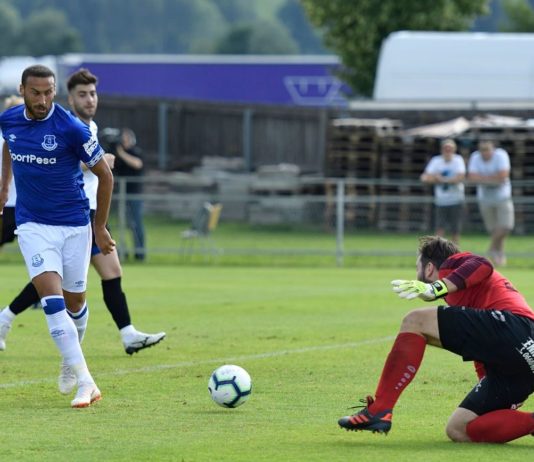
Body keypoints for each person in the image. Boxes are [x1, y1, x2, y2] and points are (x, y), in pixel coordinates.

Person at [0, 68, 165, 360]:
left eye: (93, 94)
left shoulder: (92, 128)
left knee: (108, 273)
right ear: (70, 99)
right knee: (53, 279)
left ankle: (127, 333)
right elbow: (52, 162)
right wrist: (96, 163)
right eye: (82, 95)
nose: (89, 100)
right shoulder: (66, 124)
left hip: (89, 213)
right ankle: (7, 319)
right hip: (63, 214)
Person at [338, 235, 534, 443]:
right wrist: (491, 394)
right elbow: (482, 346)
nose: (416, 274)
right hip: (521, 355)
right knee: (459, 429)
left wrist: (435, 288)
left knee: (415, 321)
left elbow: (483, 264)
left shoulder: (452, 265)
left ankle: (379, 409)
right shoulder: (464, 298)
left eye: (418, 268)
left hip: (516, 327)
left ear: (429, 268)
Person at [0, 64, 115, 408]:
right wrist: (4, 185)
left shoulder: (72, 128)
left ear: (55, 91)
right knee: (53, 303)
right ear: (22, 90)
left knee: (75, 303)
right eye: (35, 93)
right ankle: (87, 382)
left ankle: (70, 359)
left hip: (74, 225)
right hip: (33, 225)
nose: (42, 100)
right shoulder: (9, 120)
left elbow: (106, 176)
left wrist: (100, 227)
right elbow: (9, 145)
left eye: (48, 92)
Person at [467, 141, 514, 267]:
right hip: (484, 198)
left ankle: (489, 251)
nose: (485, 153)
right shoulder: (475, 157)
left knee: (506, 226)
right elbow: (472, 177)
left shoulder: (501, 155)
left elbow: (503, 176)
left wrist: (482, 178)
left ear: (493, 149)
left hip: (503, 196)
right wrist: (493, 178)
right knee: (494, 230)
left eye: (487, 150)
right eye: (483, 150)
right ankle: (499, 258)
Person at [420, 139, 466, 244]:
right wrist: (446, 179)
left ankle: (455, 252)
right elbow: (425, 177)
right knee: (439, 229)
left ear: (454, 150)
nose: (447, 151)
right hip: (441, 200)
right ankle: (438, 251)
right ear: (441, 150)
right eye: (445, 149)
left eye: (450, 149)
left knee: (455, 229)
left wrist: (440, 179)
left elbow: (460, 177)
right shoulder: (436, 161)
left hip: (456, 199)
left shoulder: (458, 160)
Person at [113, 128, 146, 261]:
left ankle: (140, 253)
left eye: (126, 138)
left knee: (136, 224)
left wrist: (121, 153)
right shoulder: (117, 154)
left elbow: (138, 164)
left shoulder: (135, 152)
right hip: (121, 195)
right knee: (121, 224)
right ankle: (122, 252)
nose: (124, 141)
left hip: (134, 195)